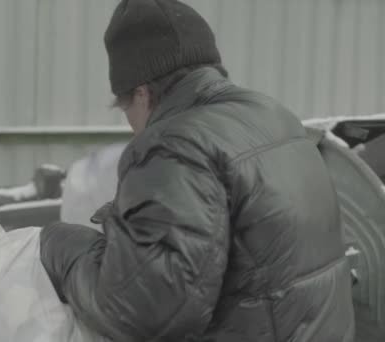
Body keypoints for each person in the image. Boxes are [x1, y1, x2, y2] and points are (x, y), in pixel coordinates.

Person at [40, 0, 355, 341]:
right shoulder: (273, 117)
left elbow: (142, 315)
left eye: (126, 110)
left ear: (142, 93)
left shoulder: (173, 144)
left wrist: (61, 245)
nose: (133, 128)